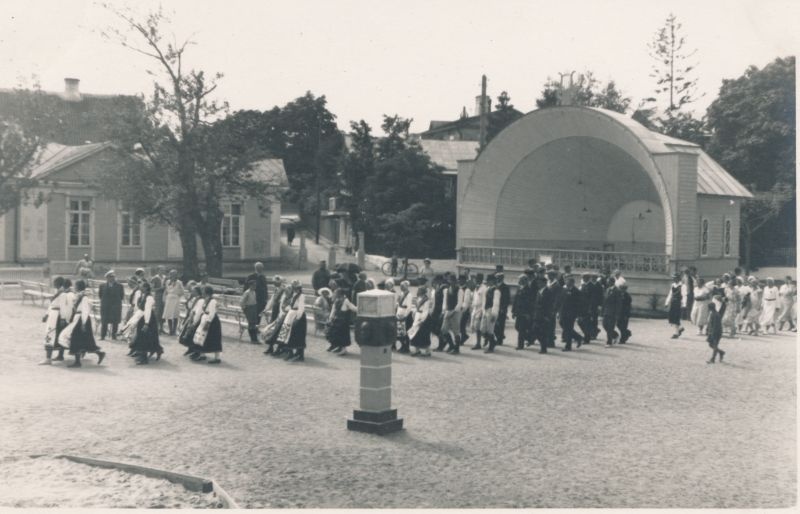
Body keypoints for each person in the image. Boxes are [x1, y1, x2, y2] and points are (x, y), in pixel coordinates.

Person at [61, 280, 105, 368]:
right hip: (78, 318)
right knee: (86, 340)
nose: (75, 287)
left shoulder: (84, 297)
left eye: (76, 285)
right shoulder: (80, 296)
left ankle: (77, 362)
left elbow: (85, 311)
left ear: (79, 287)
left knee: (75, 338)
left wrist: (83, 323)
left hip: (82, 319)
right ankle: (99, 353)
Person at [131, 281, 164, 365]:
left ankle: (144, 358)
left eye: (142, 286)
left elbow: (148, 311)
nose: (140, 288)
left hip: (148, 319)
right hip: (142, 317)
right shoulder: (143, 296)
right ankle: (156, 350)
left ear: (146, 288)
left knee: (144, 337)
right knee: (146, 336)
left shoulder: (149, 298)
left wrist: (146, 323)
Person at [40, 277, 68, 365]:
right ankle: (51, 357)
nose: (53, 284)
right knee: (50, 335)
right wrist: (46, 314)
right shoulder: (57, 292)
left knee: (51, 335)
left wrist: (63, 318)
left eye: (55, 282)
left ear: (59, 283)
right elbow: (51, 305)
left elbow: (63, 307)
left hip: (57, 316)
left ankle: (49, 359)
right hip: (52, 314)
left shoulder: (63, 294)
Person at [277, 281, 307, 362]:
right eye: (294, 288)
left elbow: (301, 308)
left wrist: (298, 318)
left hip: (297, 315)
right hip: (291, 314)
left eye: (296, 288)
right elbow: (292, 305)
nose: (295, 289)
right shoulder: (294, 295)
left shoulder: (301, 296)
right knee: (286, 332)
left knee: (296, 334)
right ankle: (290, 352)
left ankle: (299, 354)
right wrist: (286, 308)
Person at [191, 286, 223, 364]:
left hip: (212, 321)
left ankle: (217, 358)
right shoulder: (205, 300)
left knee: (214, 338)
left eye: (203, 291)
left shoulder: (212, 301)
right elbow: (201, 311)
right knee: (202, 337)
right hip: (205, 318)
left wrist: (208, 323)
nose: (202, 292)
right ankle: (202, 354)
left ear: (207, 292)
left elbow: (212, 313)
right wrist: (195, 321)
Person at [263, 276, 289, 356]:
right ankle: (270, 347)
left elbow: (282, 302)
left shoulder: (284, 290)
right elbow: (272, 300)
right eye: (273, 281)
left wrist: (281, 313)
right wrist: (266, 309)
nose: (274, 283)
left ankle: (279, 348)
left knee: (280, 329)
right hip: (275, 311)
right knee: (272, 329)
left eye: (275, 282)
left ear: (279, 282)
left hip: (281, 311)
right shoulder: (276, 290)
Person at [327, 287, 358, 354]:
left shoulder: (346, 300)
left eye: (336, 293)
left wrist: (359, 309)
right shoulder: (336, 300)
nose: (335, 294)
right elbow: (333, 310)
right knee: (336, 334)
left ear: (340, 294)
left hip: (343, 321)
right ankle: (338, 346)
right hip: (337, 320)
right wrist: (330, 318)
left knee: (343, 335)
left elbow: (352, 307)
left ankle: (344, 349)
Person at [559, 276, 584, 351]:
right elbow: (561, 301)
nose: (567, 283)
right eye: (566, 281)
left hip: (571, 313)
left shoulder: (576, 292)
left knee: (568, 328)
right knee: (563, 325)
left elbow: (579, 304)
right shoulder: (564, 290)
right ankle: (578, 337)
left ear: (572, 283)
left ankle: (568, 346)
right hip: (563, 312)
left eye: (569, 282)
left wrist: (579, 315)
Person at [531, 276, 555, 353]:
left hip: (544, 315)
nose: (538, 284)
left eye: (540, 283)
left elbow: (550, 305)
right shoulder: (539, 291)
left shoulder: (548, 292)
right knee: (535, 330)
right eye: (538, 283)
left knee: (543, 332)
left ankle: (543, 348)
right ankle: (543, 344)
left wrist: (547, 316)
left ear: (544, 283)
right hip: (537, 315)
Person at [98, 270, 124, 341]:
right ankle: (102, 336)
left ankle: (114, 336)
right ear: (107, 278)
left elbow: (121, 296)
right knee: (104, 322)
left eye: (113, 277)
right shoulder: (102, 286)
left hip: (115, 306)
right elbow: (100, 296)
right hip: (106, 307)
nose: (112, 278)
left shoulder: (119, 286)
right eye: (110, 277)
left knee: (115, 322)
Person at [179, 286, 205, 354]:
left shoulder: (201, 300)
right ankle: (190, 348)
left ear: (197, 292)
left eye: (193, 291)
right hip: (191, 316)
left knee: (193, 334)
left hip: (196, 318)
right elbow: (190, 307)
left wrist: (194, 320)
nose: (192, 292)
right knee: (187, 333)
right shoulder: (194, 298)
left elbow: (198, 310)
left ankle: (195, 350)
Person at [408, 285, 433, 357]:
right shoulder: (418, 298)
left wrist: (422, 320)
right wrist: (414, 314)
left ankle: (427, 351)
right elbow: (416, 308)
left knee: (423, 335)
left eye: (419, 290)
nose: (417, 291)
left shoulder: (426, 300)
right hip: (417, 317)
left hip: (423, 319)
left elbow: (426, 311)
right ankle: (416, 350)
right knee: (415, 334)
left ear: (422, 291)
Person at [512, 274, 535, 350]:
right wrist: (513, 311)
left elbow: (530, 303)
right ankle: (530, 338)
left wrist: (528, 313)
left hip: (524, 312)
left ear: (524, 281)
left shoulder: (529, 290)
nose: (519, 281)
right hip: (519, 312)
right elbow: (515, 301)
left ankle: (520, 345)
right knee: (517, 327)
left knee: (521, 329)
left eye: (520, 280)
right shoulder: (519, 288)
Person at [480, 274, 501, 353]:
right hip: (486, 310)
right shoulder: (488, 289)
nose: (487, 283)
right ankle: (493, 341)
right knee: (482, 328)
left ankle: (491, 346)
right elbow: (484, 301)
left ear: (492, 281)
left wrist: (494, 314)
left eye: (488, 281)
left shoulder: (496, 290)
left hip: (491, 310)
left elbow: (496, 303)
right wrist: (483, 310)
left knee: (490, 329)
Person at [440, 275, 462, 354]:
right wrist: (444, 311)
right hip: (448, 311)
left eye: (453, 281)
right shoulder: (446, 290)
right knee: (443, 330)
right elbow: (445, 302)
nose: (451, 282)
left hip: (456, 312)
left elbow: (459, 303)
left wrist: (454, 312)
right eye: (450, 281)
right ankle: (451, 345)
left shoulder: (459, 290)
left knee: (456, 331)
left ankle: (457, 349)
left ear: (455, 282)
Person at [246, 262, 269, 329]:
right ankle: (252, 327)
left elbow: (265, 288)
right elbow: (246, 288)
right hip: (253, 299)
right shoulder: (251, 276)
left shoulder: (263, 277)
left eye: (261, 268)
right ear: (256, 268)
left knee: (259, 314)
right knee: (253, 315)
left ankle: (256, 327)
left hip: (261, 300)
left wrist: (265, 297)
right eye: (259, 268)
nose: (260, 269)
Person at [706, 294, 727, 364]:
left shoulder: (715, 315)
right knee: (711, 345)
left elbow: (715, 325)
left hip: (716, 332)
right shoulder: (713, 314)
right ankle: (721, 352)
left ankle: (712, 359)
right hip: (713, 332)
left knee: (714, 345)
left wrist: (712, 333)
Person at [395, 281, 414, 353]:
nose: (401, 287)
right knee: (400, 332)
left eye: (403, 286)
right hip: (399, 314)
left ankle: (406, 347)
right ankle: (403, 345)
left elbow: (409, 307)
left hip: (405, 315)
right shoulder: (401, 294)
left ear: (407, 286)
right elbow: (398, 304)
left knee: (405, 331)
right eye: (400, 286)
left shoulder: (409, 295)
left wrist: (405, 316)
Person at [469, 273, 486, 350]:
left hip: (480, 309)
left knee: (479, 327)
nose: (475, 280)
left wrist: (482, 311)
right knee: (476, 327)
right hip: (475, 309)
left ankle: (480, 343)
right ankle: (480, 342)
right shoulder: (476, 288)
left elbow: (484, 301)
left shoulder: (484, 288)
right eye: (475, 279)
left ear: (481, 279)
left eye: (477, 279)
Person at [602, 279, 621, 346]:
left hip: (613, 311)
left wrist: (617, 314)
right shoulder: (607, 290)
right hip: (606, 311)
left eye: (609, 281)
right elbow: (605, 300)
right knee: (604, 325)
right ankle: (615, 335)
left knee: (610, 327)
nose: (608, 283)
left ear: (613, 282)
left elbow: (618, 303)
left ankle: (609, 342)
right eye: (607, 282)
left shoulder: (617, 291)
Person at [665, 272, 684, 339]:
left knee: (676, 317)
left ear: (679, 278)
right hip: (673, 302)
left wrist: (683, 304)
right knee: (671, 317)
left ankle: (676, 333)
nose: (674, 279)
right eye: (673, 278)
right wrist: (667, 302)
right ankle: (680, 328)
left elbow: (684, 295)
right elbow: (670, 294)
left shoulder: (682, 285)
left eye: (675, 278)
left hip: (678, 303)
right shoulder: (672, 285)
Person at [494, 272, 511, 346]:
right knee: (494, 324)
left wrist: (503, 308)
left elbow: (506, 299)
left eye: (499, 277)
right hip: (494, 307)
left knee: (500, 324)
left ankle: (499, 340)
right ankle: (500, 336)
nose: (498, 279)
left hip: (501, 308)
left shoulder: (505, 287)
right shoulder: (495, 286)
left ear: (502, 278)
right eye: (497, 278)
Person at [458, 276, 474, 348]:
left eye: (461, 280)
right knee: (459, 325)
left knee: (462, 324)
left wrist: (463, 309)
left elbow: (466, 301)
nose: (460, 281)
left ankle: (463, 337)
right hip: (458, 309)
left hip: (464, 310)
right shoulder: (459, 288)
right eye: (459, 280)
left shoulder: (467, 290)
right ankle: (464, 336)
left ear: (464, 281)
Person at [151, 265, 167, 333]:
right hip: (158, 296)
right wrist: (160, 288)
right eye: (161, 270)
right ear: (158, 270)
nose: (162, 271)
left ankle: (162, 328)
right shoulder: (154, 278)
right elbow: (152, 289)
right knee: (157, 312)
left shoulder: (166, 278)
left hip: (165, 296)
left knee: (163, 312)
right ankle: (156, 328)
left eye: (163, 270)